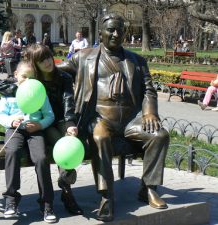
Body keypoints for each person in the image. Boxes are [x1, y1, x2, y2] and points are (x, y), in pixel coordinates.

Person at [57, 13, 169, 222]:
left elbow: (149, 91)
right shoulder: (83, 57)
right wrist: (28, 73)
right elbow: (54, 71)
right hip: (100, 117)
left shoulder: (136, 60)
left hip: (131, 119)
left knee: (159, 135)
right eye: (110, 29)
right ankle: (106, 195)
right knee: (100, 138)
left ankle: (149, 188)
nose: (116, 34)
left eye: (119, 30)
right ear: (101, 32)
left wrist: (150, 112)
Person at [0, 44, 83, 216]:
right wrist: (20, 87)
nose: (48, 62)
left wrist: (70, 124)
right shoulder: (32, 78)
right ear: (34, 63)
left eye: (48, 57)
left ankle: (66, 185)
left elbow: (68, 103)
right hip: (41, 125)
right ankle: (66, 189)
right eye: (41, 60)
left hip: (58, 119)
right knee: (57, 143)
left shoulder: (63, 77)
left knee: (67, 140)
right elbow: (2, 86)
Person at [0, 61, 57, 223]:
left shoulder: (39, 93)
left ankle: (46, 203)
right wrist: (11, 121)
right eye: (24, 76)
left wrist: (40, 124)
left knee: (41, 158)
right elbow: (1, 116)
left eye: (31, 77)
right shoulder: (9, 94)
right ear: (16, 75)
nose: (27, 81)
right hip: (15, 130)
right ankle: (11, 199)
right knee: (12, 152)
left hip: (35, 131)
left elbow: (49, 115)